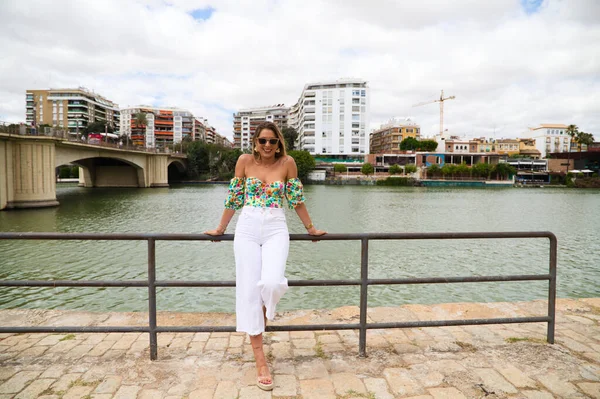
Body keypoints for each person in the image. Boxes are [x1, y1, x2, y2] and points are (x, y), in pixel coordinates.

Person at [204, 121, 326, 391]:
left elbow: (296, 200)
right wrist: (220, 228)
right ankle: (261, 361)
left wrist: (311, 228)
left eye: (273, 141)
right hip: (246, 227)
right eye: (263, 141)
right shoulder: (244, 162)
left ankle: (259, 317)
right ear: (255, 143)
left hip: (275, 227)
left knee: (271, 283)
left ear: (279, 142)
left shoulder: (288, 164)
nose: (268, 146)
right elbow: (234, 199)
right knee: (248, 292)